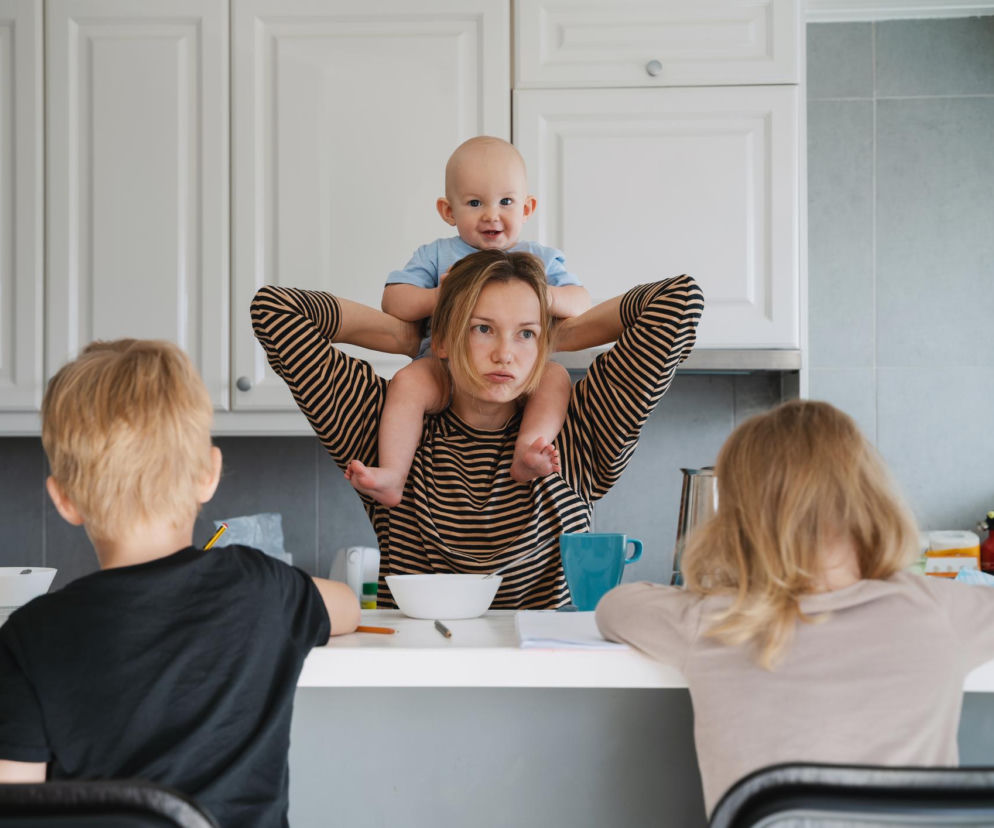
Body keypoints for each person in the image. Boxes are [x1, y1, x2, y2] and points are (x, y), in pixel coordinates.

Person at [0, 339, 360, 827]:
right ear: (209, 475)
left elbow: (17, 804)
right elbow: (347, 607)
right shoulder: (261, 589)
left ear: (63, 499)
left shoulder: (26, 637)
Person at [595, 399, 994, 817]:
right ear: (871, 502)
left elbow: (614, 606)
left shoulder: (713, 620)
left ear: (734, 521)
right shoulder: (939, 610)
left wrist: (722, 590)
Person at [252, 248, 703, 609]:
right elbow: (276, 310)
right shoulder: (390, 426)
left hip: (546, 673)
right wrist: (411, 336)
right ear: (446, 339)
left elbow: (678, 301)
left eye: (524, 335)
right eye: (483, 328)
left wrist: (552, 333)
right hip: (413, 673)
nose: (505, 354)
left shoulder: (577, 428)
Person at [348, 136, 591, 507]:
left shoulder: (539, 258)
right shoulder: (437, 255)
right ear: (448, 211)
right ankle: (394, 474)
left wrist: (545, 295)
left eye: (506, 202)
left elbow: (580, 301)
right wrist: (436, 296)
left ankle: (528, 451)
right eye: (475, 203)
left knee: (555, 377)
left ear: (528, 207)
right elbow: (393, 299)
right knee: (407, 382)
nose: (492, 215)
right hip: (442, 367)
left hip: (523, 375)